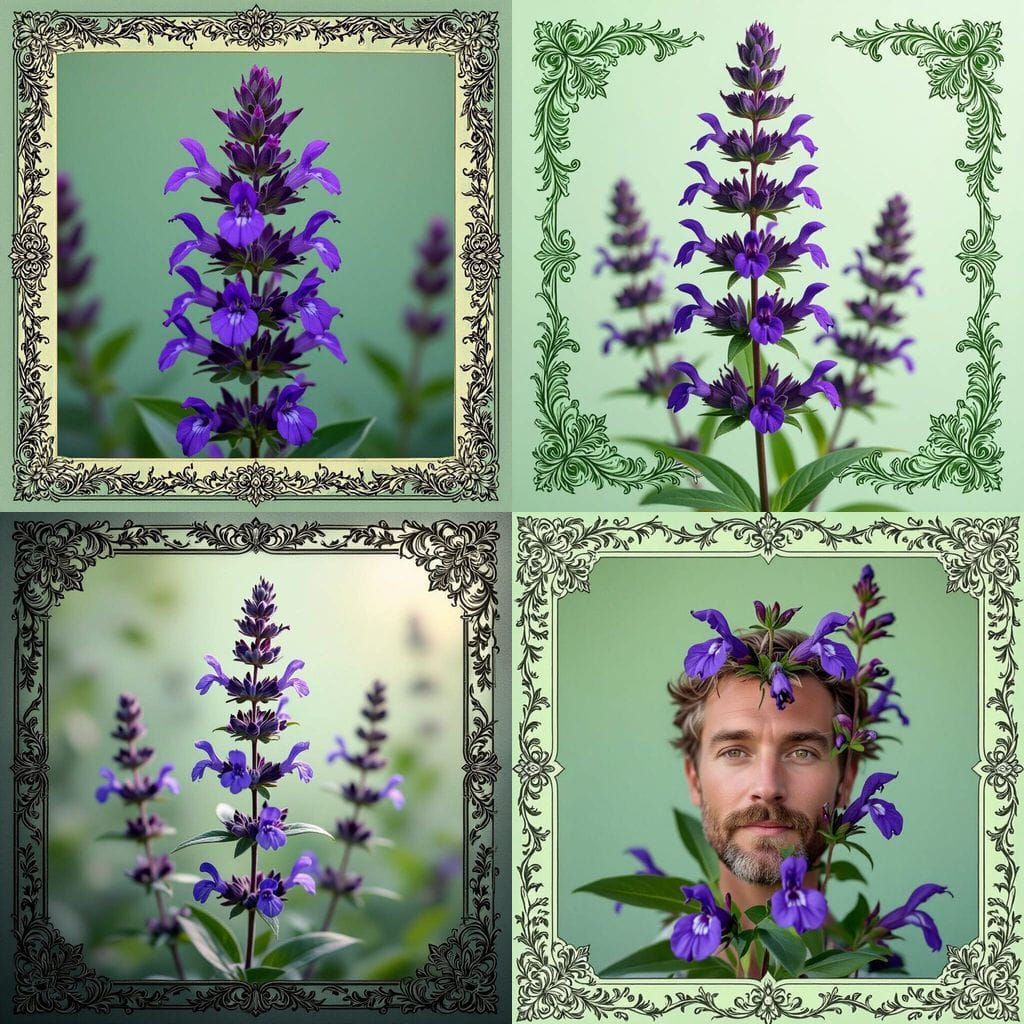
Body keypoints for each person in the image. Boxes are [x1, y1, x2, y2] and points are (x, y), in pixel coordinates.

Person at [668, 627, 858, 917]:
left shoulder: (874, 964)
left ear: (846, 781)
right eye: (734, 752)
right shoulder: (664, 965)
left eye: (802, 753)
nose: (767, 788)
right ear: (694, 778)